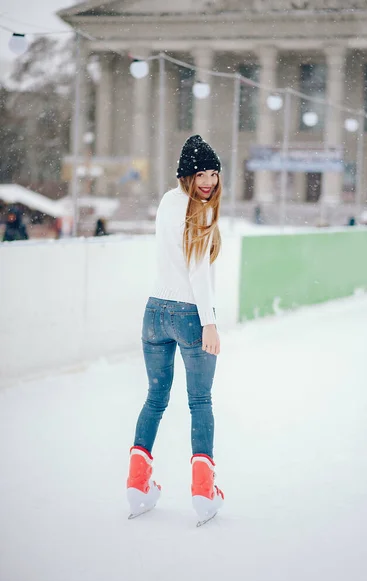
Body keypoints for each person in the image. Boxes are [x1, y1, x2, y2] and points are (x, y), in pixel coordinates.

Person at [126, 135, 225, 524]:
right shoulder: (199, 211)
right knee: (199, 402)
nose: (209, 181)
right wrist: (209, 323)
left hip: (154, 312)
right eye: (201, 173)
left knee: (155, 399)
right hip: (189, 313)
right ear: (187, 174)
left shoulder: (168, 201)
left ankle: (138, 484)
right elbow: (199, 272)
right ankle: (204, 491)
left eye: (214, 174)